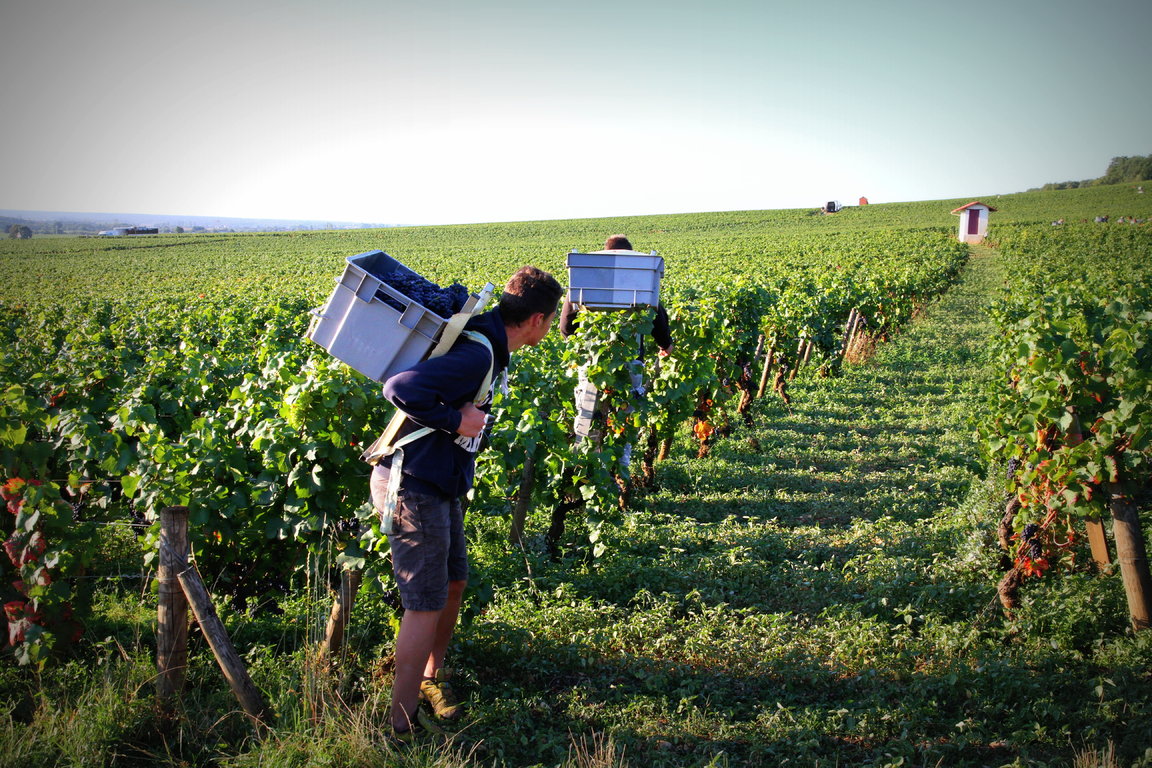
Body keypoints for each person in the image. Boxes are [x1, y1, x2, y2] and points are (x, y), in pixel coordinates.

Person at [370, 266, 563, 741]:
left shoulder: (492, 343)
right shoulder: (479, 355)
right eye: (553, 318)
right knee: (425, 601)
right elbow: (398, 387)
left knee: (454, 582)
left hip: (439, 482)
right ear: (537, 319)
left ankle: (431, 680)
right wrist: (455, 418)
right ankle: (400, 721)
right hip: (411, 484)